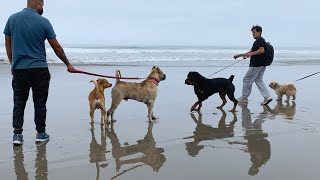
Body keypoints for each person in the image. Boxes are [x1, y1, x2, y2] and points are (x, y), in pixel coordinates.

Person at [4, 0, 74, 145]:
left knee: (19, 102)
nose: (42, 8)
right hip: (39, 69)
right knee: (40, 103)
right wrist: (68, 64)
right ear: (37, 4)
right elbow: (57, 48)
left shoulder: (12, 19)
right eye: (42, 5)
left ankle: (17, 135)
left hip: (20, 70)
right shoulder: (43, 22)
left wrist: (13, 64)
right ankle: (40, 134)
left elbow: (8, 44)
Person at [233, 25, 273, 105]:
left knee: (246, 79)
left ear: (259, 32)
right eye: (252, 33)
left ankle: (244, 98)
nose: (253, 34)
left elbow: (261, 50)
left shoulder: (260, 40)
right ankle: (267, 97)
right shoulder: (258, 41)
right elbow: (251, 52)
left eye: (254, 32)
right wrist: (239, 55)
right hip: (262, 64)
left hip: (256, 65)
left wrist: (251, 54)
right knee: (258, 80)